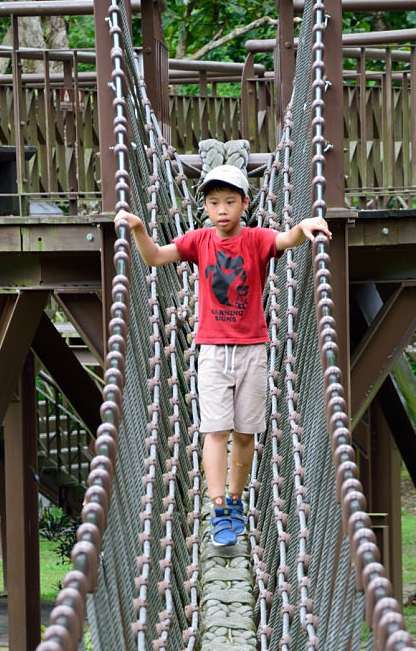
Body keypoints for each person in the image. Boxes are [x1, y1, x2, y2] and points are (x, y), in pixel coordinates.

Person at [117, 164, 332, 546]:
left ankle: (235, 501)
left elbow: (286, 239)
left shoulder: (256, 239)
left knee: (246, 435)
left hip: (252, 351)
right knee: (215, 431)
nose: (221, 209)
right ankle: (218, 509)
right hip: (213, 352)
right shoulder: (199, 241)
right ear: (205, 206)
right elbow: (154, 257)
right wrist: (137, 229)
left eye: (230, 201)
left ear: (245, 203)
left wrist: (304, 226)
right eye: (214, 202)